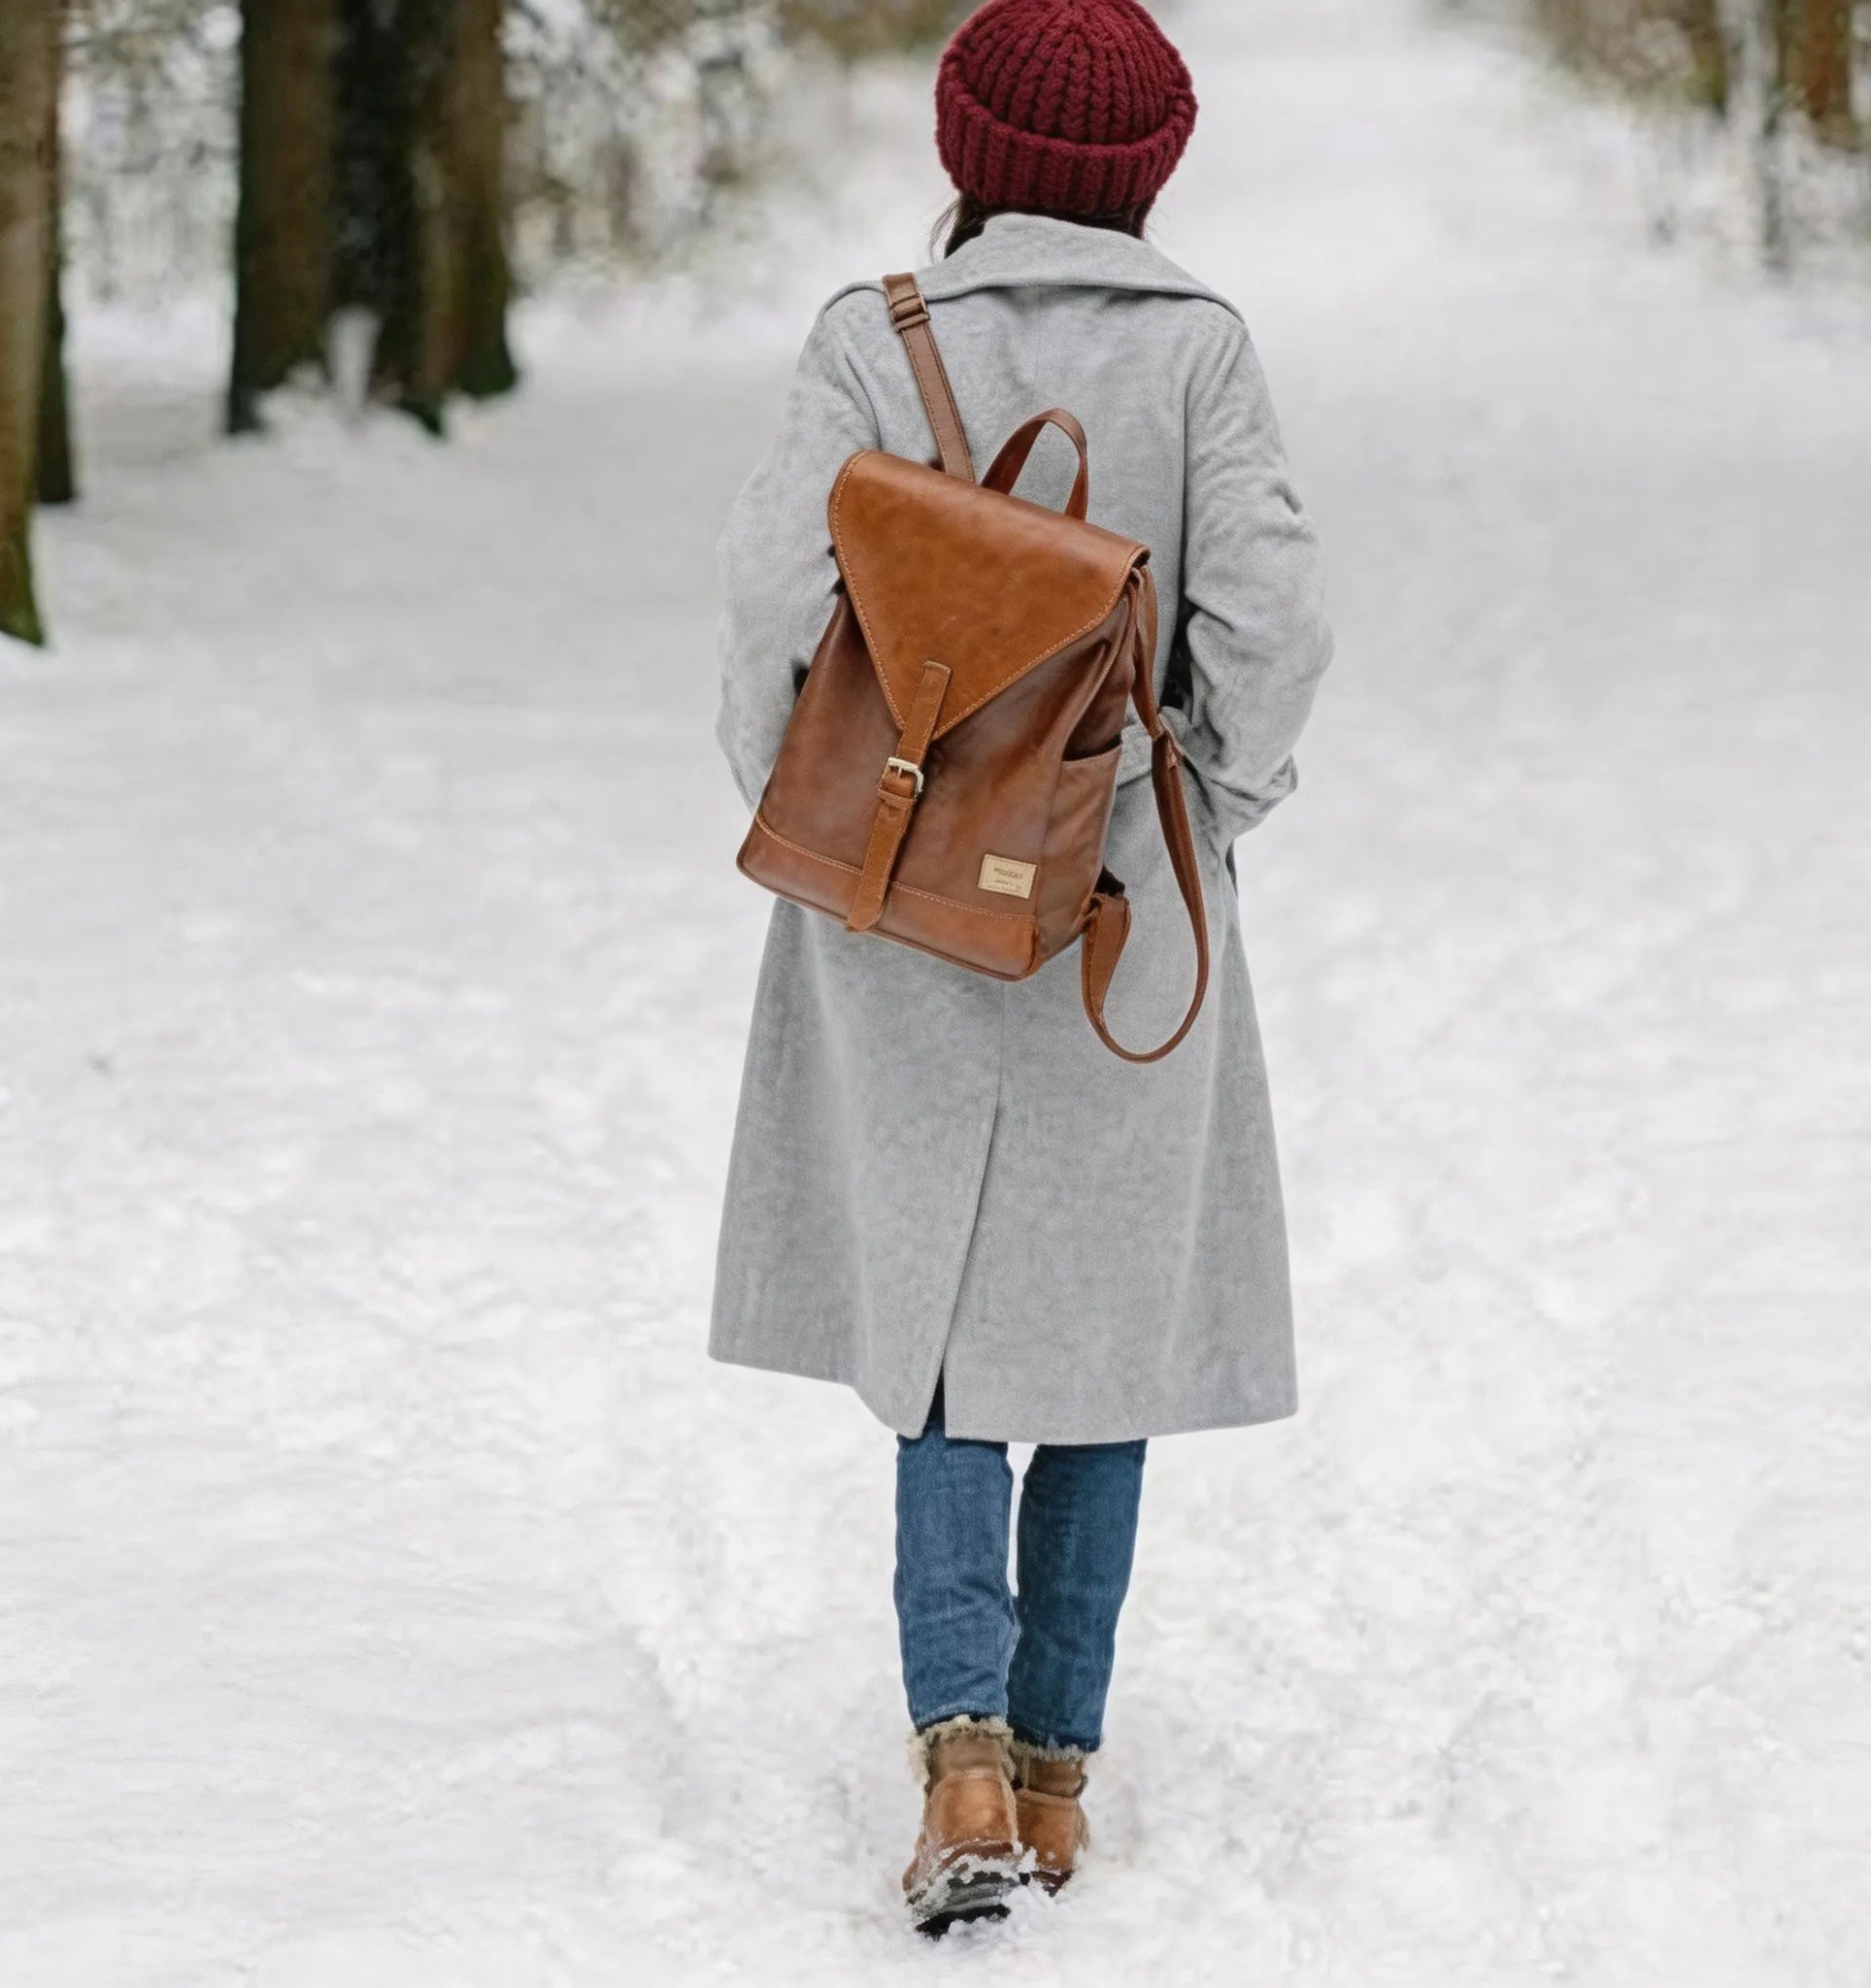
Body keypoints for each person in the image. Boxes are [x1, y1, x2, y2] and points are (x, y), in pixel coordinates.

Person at [711, 0, 1333, 1935]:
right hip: (1122, 894)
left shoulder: (869, 339)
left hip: (897, 885)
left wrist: (824, 812)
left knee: (939, 1325)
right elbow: (1278, 618)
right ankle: (1053, 1776)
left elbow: (772, 610)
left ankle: (954, 1747)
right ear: (1152, 164)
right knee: (1100, 1318)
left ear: (963, 141)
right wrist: (1196, 799)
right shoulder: (1203, 353)